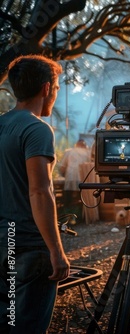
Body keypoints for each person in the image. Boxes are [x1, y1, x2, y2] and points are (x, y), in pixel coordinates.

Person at [0, 55, 70, 333]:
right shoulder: (37, 129)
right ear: (45, 89)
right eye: (56, 88)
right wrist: (56, 251)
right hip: (28, 246)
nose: (55, 94)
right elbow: (40, 192)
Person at [59, 139, 91, 220]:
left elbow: (62, 167)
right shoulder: (88, 153)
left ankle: (66, 216)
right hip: (83, 180)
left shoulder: (69, 152)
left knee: (68, 199)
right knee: (81, 199)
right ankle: (79, 217)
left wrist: (63, 175)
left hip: (70, 179)